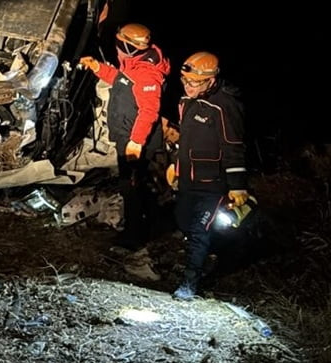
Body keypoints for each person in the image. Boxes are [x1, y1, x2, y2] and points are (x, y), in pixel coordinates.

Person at [78, 22, 171, 249]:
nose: (116, 46)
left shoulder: (147, 73)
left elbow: (149, 111)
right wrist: (98, 68)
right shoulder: (133, 63)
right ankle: (153, 226)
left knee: (131, 188)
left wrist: (136, 143)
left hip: (135, 139)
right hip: (127, 134)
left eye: (120, 43)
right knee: (139, 185)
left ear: (129, 46)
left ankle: (133, 238)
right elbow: (121, 81)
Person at [170, 51, 248, 300]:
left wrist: (237, 186)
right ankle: (210, 254)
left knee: (198, 230)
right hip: (187, 180)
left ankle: (189, 284)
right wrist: (175, 167)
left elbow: (233, 146)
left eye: (195, 82)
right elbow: (186, 141)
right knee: (183, 221)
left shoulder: (225, 104)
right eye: (186, 81)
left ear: (211, 80)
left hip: (213, 184)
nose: (189, 86)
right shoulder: (187, 99)